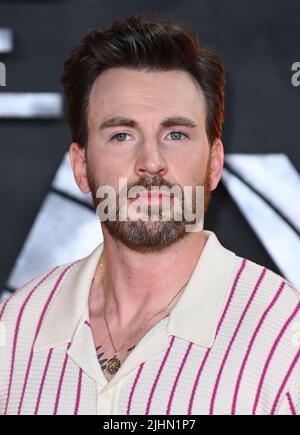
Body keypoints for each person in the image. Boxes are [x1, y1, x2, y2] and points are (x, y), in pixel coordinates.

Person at [0, 13, 299, 415]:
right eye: (122, 135)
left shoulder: (284, 337)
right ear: (81, 167)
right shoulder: (16, 326)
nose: (151, 162)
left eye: (176, 134)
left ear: (213, 164)